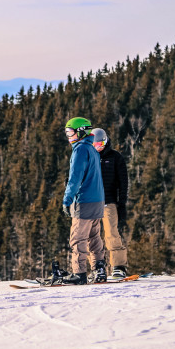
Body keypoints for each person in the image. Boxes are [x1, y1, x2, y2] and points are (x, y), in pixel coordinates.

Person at [61, 117, 106, 284]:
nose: (69, 136)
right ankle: (99, 269)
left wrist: (67, 200)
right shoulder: (92, 149)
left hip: (85, 201)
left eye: (70, 132)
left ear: (80, 131)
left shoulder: (80, 150)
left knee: (78, 238)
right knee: (94, 237)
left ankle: (79, 273)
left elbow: (75, 178)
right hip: (98, 200)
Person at [91, 128, 129, 279]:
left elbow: (123, 182)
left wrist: (122, 204)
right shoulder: (88, 157)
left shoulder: (115, 157)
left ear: (106, 141)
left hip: (109, 202)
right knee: (92, 237)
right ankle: (96, 267)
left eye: (101, 143)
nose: (98, 147)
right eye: (95, 144)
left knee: (111, 234)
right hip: (91, 203)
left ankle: (118, 266)